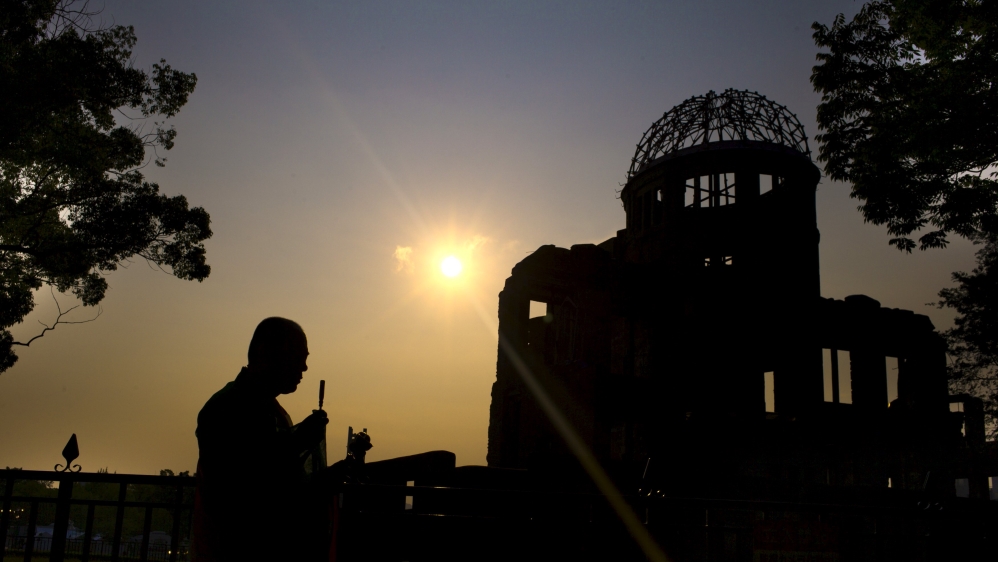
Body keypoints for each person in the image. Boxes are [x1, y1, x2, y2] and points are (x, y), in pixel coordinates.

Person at [193, 317, 331, 562]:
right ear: (266, 352)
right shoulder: (227, 408)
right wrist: (298, 442)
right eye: (298, 356)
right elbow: (246, 485)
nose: (304, 367)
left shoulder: (271, 411)